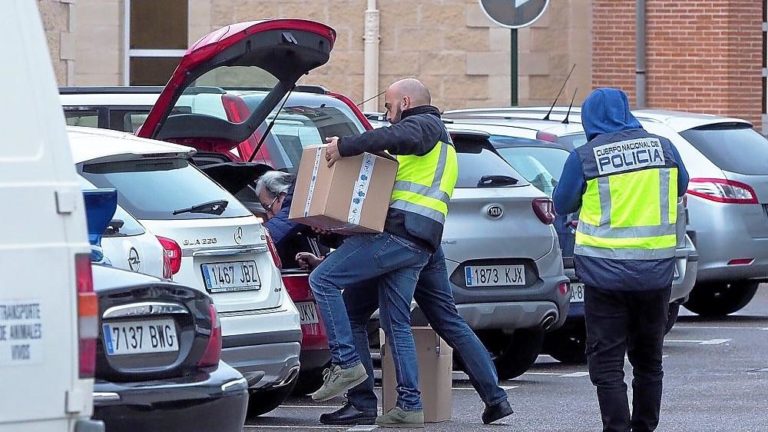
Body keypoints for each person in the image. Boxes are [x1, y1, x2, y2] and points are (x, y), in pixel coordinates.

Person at [308, 78, 457, 428]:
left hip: (402, 237)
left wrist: (345, 146)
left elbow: (396, 136)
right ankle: (407, 405)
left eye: (389, 108)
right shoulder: (433, 139)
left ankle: (346, 364)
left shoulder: (423, 125)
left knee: (323, 279)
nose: (388, 118)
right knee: (392, 323)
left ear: (405, 102)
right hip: (417, 243)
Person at [553, 88, 689, 432]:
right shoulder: (664, 148)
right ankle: (645, 427)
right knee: (649, 361)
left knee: (607, 362)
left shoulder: (585, 156)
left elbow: (562, 203)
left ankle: (616, 428)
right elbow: (681, 185)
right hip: (656, 273)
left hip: (605, 275)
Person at [295, 248, 513, 426]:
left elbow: (372, 228)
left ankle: (366, 403)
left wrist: (329, 260)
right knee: (449, 320)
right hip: (428, 243)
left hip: (394, 248)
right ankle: (496, 398)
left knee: (365, 317)